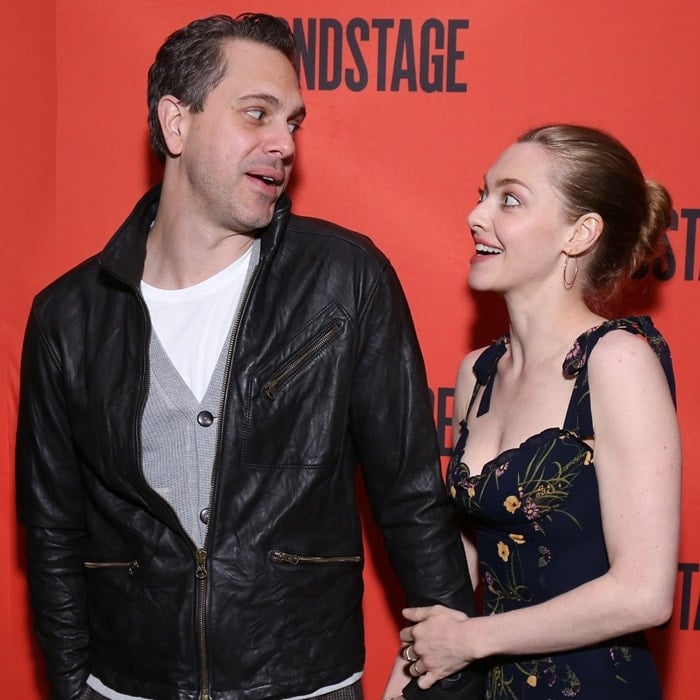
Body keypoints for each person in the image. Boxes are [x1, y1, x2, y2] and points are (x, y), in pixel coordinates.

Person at [14, 13, 484, 700]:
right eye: (256, 114)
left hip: (303, 680)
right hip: (128, 683)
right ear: (176, 124)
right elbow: (53, 534)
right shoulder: (68, 316)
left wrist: (453, 684)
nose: (283, 143)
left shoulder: (343, 280)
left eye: (292, 122)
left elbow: (412, 501)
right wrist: (71, 689)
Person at [394, 124, 681, 699]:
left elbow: (643, 592)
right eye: (482, 193)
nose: (477, 215)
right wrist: (403, 683)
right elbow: (461, 569)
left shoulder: (617, 360)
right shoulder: (477, 372)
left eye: (510, 199)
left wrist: (472, 640)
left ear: (579, 233)